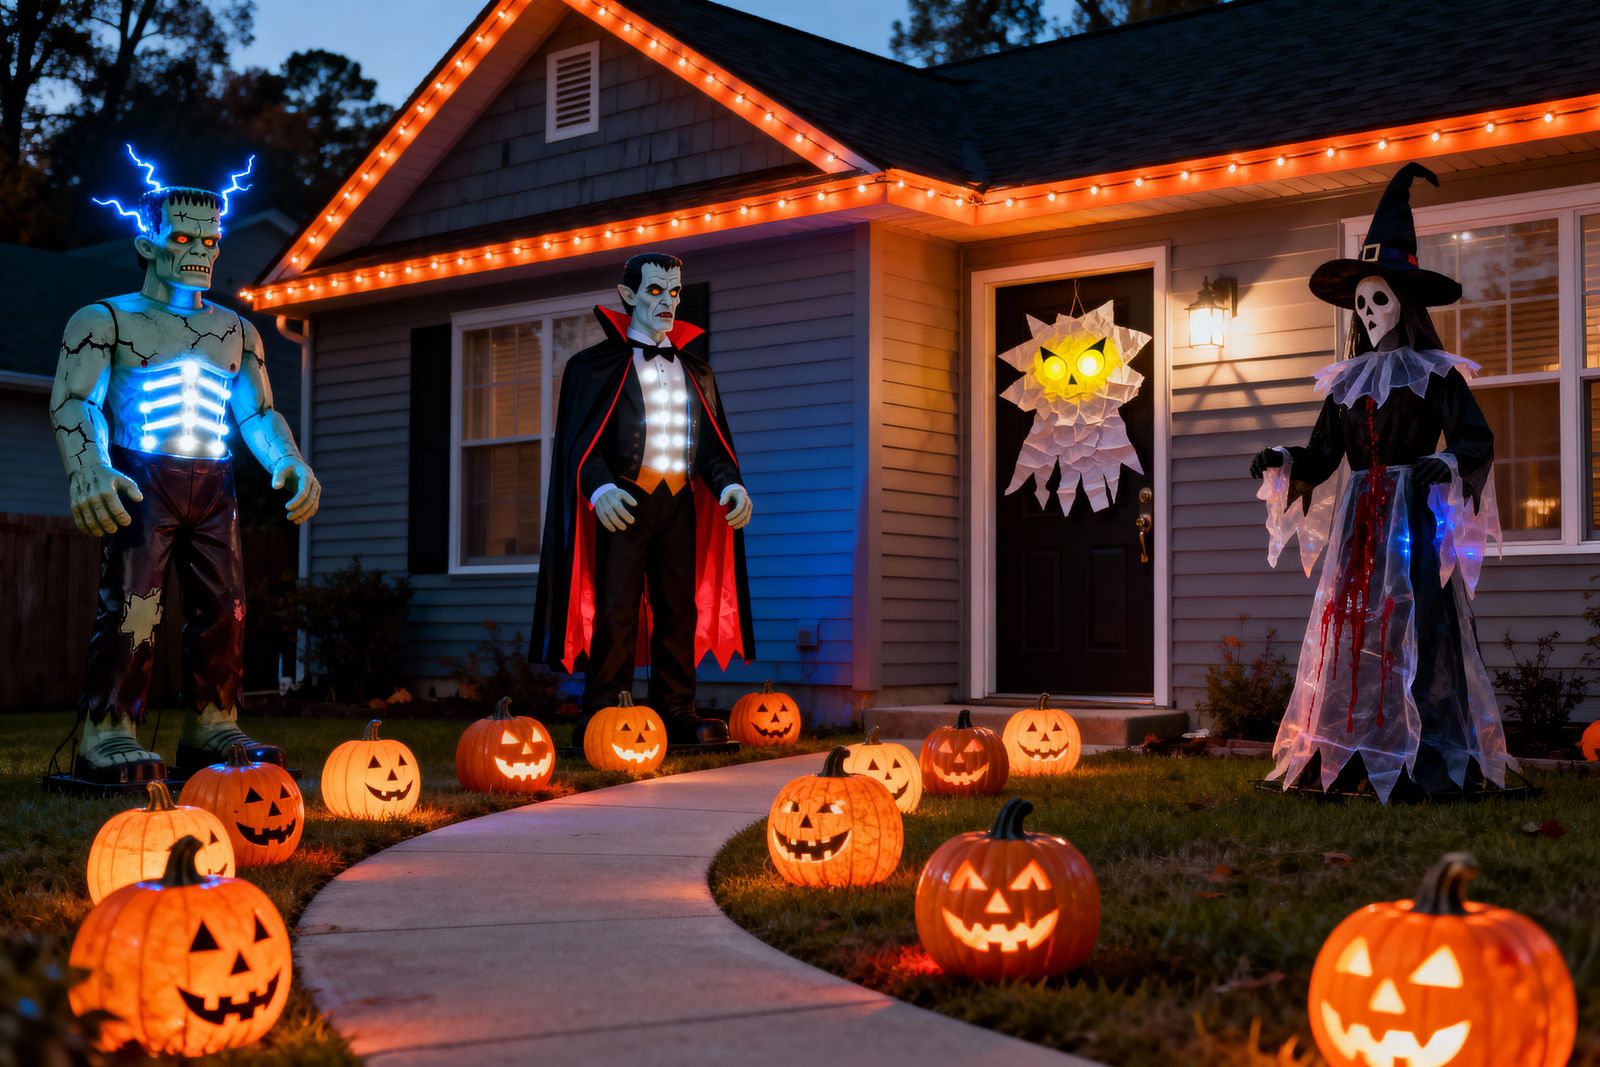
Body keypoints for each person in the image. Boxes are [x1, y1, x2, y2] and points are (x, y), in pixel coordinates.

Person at [1249, 163, 1513, 802]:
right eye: (1362, 302)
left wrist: (1446, 466)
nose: (1369, 312)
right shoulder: (1344, 382)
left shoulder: (1437, 373)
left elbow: (1475, 440)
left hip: (1414, 518)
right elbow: (1323, 454)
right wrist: (1282, 461)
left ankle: (1425, 751)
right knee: (1356, 627)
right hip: (1360, 520)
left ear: (1405, 303)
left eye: (1380, 299)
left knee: (1419, 624)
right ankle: (1356, 749)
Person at [52, 158, 318, 784]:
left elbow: (258, 413)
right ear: (146, 243)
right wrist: (87, 467)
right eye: (182, 238)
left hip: (214, 480)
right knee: (134, 604)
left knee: (227, 607)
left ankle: (213, 722)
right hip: (143, 477)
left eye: (209, 240)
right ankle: (108, 730)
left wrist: (289, 459)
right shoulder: (105, 320)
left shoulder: (236, 330)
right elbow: (74, 400)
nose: (199, 250)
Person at [530, 253, 755, 747]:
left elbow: (712, 447)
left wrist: (730, 484)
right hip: (623, 507)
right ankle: (605, 709)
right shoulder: (590, 369)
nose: (668, 302)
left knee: (680, 610)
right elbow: (577, 443)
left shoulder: (698, 371)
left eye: (675, 292)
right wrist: (600, 487)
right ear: (628, 295)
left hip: (678, 505)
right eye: (656, 291)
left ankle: (677, 709)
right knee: (617, 609)